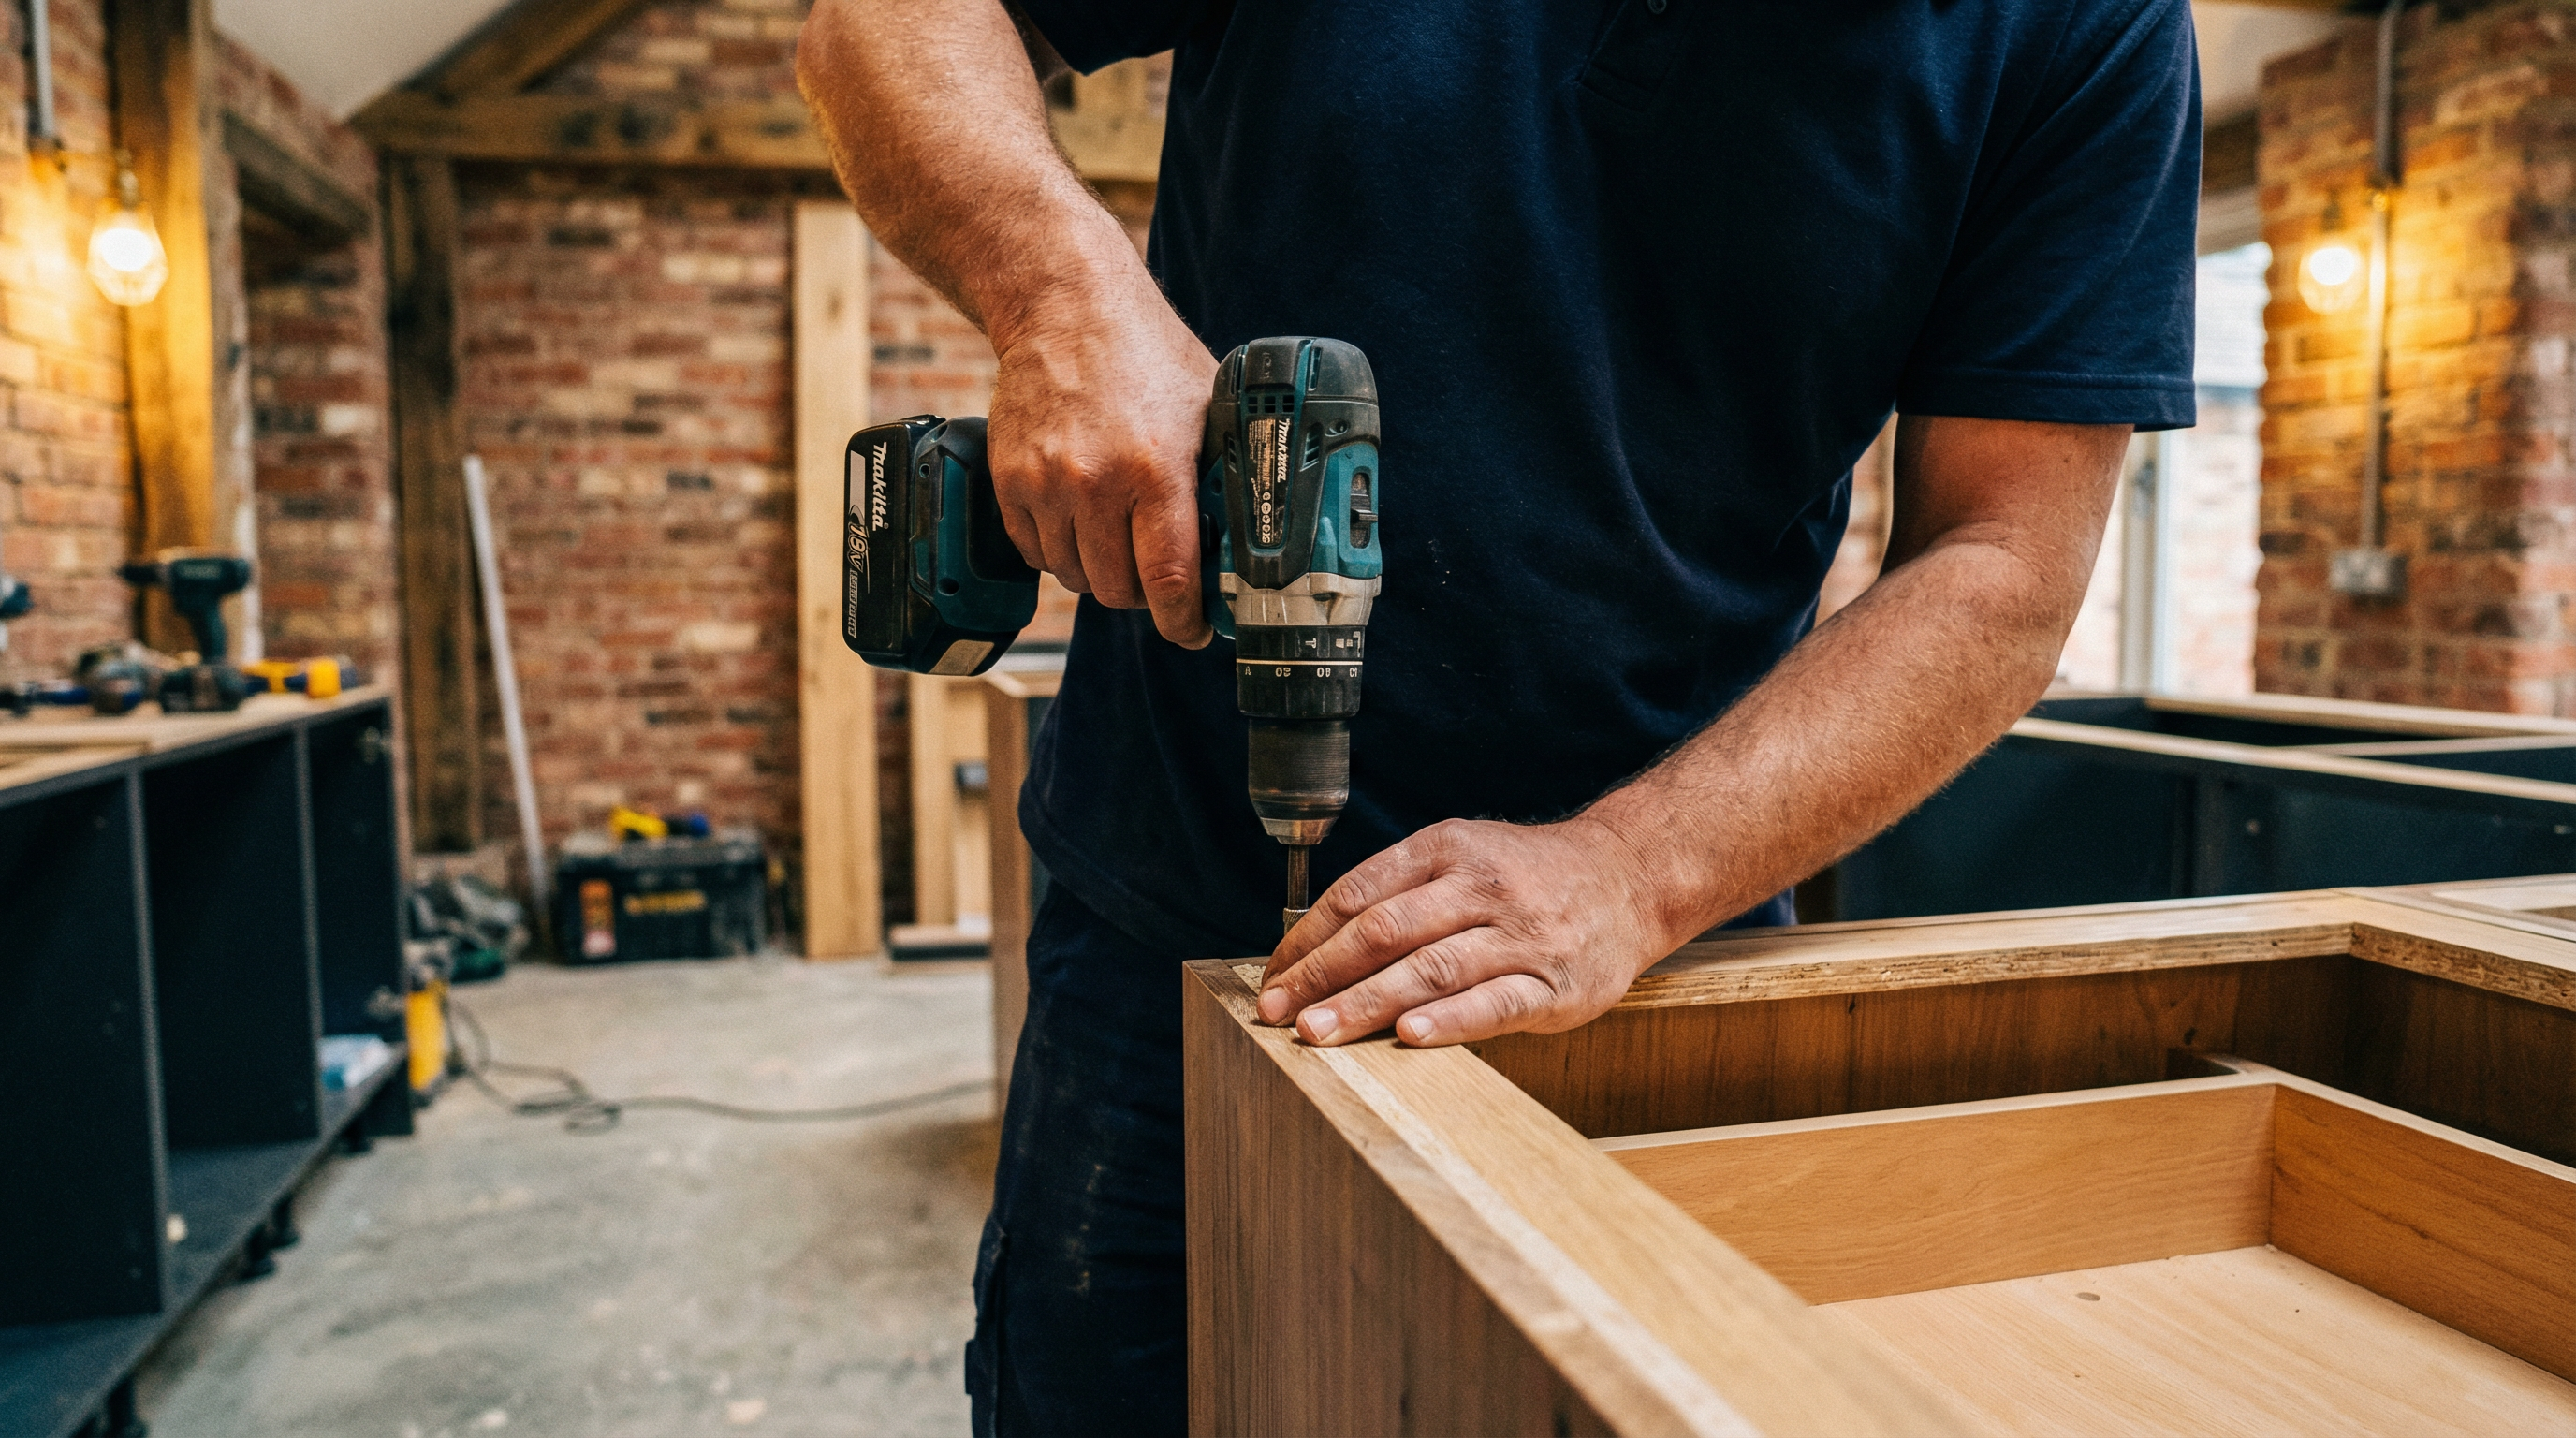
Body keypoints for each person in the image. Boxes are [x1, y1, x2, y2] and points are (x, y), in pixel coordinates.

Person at [799, 0, 2198, 1431]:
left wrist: (1632, 870)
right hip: (1173, 930)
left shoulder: (2086, 31)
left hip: (1647, 963)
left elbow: (2006, 565)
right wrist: (1058, 296)